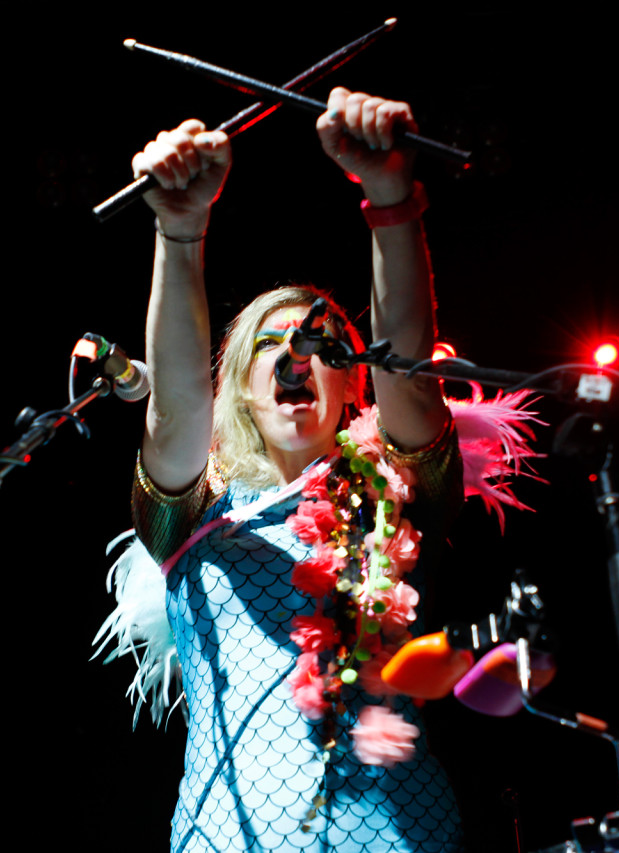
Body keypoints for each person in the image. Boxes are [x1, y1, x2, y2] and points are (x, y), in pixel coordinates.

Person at [120, 87, 468, 852]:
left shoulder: (396, 498)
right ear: (241, 384)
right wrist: (180, 232)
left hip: (398, 835)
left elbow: (409, 369)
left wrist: (389, 196)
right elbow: (173, 411)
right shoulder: (195, 514)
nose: (295, 353)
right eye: (271, 343)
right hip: (228, 834)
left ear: (350, 382)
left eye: (320, 341)